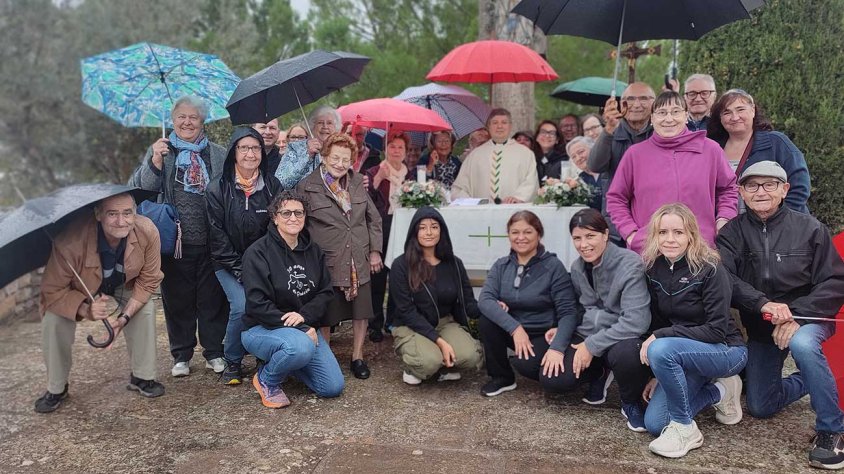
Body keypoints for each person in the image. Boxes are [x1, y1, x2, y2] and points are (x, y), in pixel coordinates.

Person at [717, 161, 844, 470]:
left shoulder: (811, 228)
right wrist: (763, 305)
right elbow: (725, 280)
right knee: (760, 406)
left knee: (801, 344)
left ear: (785, 189)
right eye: (752, 185)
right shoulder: (731, 233)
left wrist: (795, 317)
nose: (761, 191)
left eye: (769, 184)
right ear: (741, 192)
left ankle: (832, 430)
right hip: (761, 326)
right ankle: (810, 379)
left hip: (807, 320)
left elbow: (835, 281)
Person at [35, 193, 165, 413]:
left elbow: (149, 280)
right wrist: (86, 309)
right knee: (53, 318)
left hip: (125, 283)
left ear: (135, 213)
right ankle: (57, 387)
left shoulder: (148, 231)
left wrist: (123, 318)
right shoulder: (69, 242)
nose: (121, 221)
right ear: (98, 214)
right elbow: (52, 291)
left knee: (145, 308)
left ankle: (142, 377)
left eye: (127, 213)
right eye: (112, 214)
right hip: (82, 285)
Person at [130, 95, 228, 377]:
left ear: (202, 122)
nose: (187, 122)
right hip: (174, 242)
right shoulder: (161, 151)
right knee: (177, 300)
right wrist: (155, 161)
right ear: (172, 121)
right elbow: (140, 189)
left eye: (193, 117)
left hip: (211, 239)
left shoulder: (218, 154)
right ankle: (181, 355)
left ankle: (213, 352)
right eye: (181, 117)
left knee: (212, 300)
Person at [640, 203, 747, 459]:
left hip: (726, 351)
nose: (670, 239)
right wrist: (660, 372)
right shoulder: (653, 269)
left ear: (691, 234)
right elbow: (658, 321)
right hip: (681, 354)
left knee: (661, 346)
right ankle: (721, 392)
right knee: (655, 424)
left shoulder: (710, 269)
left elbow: (716, 331)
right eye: (662, 232)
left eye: (678, 232)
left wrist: (661, 341)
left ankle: (686, 430)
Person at [241, 190, 344, 408]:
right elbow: (257, 303)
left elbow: (325, 292)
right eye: (286, 213)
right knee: (299, 347)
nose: (293, 218)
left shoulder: (313, 251)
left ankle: (290, 362)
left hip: (303, 327)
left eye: (299, 213)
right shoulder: (257, 253)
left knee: (332, 387)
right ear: (274, 217)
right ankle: (267, 379)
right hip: (262, 329)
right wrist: (301, 328)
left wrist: (304, 318)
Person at [606, 90, 738, 254]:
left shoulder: (710, 150)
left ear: (686, 115)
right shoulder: (635, 154)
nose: (669, 119)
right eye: (661, 113)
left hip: (701, 248)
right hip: (650, 250)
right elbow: (615, 198)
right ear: (652, 118)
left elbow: (728, 189)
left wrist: (723, 220)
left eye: (675, 112)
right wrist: (631, 233)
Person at [296, 132, 383, 379]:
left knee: (361, 311)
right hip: (327, 261)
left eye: (346, 159)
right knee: (326, 315)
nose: (340, 164)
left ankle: (358, 356)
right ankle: (327, 358)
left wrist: (375, 250)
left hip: (358, 258)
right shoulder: (308, 186)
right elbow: (297, 223)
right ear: (324, 157)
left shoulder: (357, 183)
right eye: (335, 157)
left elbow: (373, 219)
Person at [556, 208, 652, 430]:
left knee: (627, 353)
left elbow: (636, 321)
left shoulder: (629, 263)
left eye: (590, 236)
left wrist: (590, 345)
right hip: (596, 332)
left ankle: (630, 401)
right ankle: (599, 372)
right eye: (577, 238)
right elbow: (583, 308)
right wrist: (564, 330)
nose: (583, 244)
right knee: (557, 380)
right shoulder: (578, 267)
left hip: (623, 337)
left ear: (606, 234)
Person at [206, 127, 281, 384]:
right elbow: (216, 235)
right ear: (233, 152)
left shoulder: (272, 185)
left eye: (256, 148)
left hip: (263, 262)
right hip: (227, 263)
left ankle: (264, 355)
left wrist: (260, 268)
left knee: (270, 302)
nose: (251, 153)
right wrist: (240, 270)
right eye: (244, 148)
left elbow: (276, 228)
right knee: (242, 306)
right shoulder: (217, 187)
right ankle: (233, 360)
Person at [477, 211, 578, 396]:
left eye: (528, 232)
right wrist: (515, 328)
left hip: (542, 333)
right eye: (515, 232)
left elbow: (568, 311)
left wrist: (557, 347)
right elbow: (485, 299)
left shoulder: (553, 267)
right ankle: (502, 378)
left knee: (528, 367)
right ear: (508, 235)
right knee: (486, 321)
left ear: (538, 234)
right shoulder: (501, 265)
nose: (521, 237)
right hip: (515, 332)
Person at [389, 207, 484, 384]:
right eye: (423, 228)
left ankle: (444, 364)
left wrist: (492, 306)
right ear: (414, 232)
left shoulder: (454, 263)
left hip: (444, 321)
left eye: (434, 227)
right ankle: (416, 366)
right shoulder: (401, 265)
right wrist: (439, 341)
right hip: (411, 324)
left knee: (470, 356)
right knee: (428, 362)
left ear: (442, 231)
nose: (429, 232)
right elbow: (406, 311)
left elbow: (468, 302)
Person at [708, 88, 810, 213]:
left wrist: (780, 221)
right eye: (727, 112)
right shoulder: (713, 148)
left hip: (775, 227)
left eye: (740, 109)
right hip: (727, 226)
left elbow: (799, 186)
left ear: (753, 110)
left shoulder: (776, 142)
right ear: (720, 118)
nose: (734, 117)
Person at [587, 82, 655, 247]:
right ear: (620, 104)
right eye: (630, 99)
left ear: (654, 103)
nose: (636, 105)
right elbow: (595, 165)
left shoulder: (661, 132)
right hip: (616, 222)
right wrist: (609, 129)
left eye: (644, 99)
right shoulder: (612, 131)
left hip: (652, 218)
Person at [365, 133, 409, 342]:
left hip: (403, 229)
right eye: (392, 146)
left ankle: (393, 320)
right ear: (385, 149)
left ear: (405, 151)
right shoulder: (374, 170)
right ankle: (374, 323)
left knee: (399, 276)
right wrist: (379, 178)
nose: (396, 150)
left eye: (400, 147)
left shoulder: (410, 175)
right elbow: (367, 201)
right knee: (378, 277)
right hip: (381, 227)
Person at [451, 109, 538, 204]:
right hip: (482, 213)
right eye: (495, 123)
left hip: (513, 210)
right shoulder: (475, 155)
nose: (499, 126)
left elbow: (531, 182)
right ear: (489, 127)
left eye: (504, 122)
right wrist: (472, 202)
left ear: (510, 126)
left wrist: (518, 198)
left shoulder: (526, 154)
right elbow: (460, 187)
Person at [275, 106, 338, 190]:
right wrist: (308, 155)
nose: (325, 126)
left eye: (329, 123)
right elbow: (281, 182)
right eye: (320, 123)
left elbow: (337, 185)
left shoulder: (339, 149)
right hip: (298, 200)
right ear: (312, 126)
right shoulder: (294, 150)